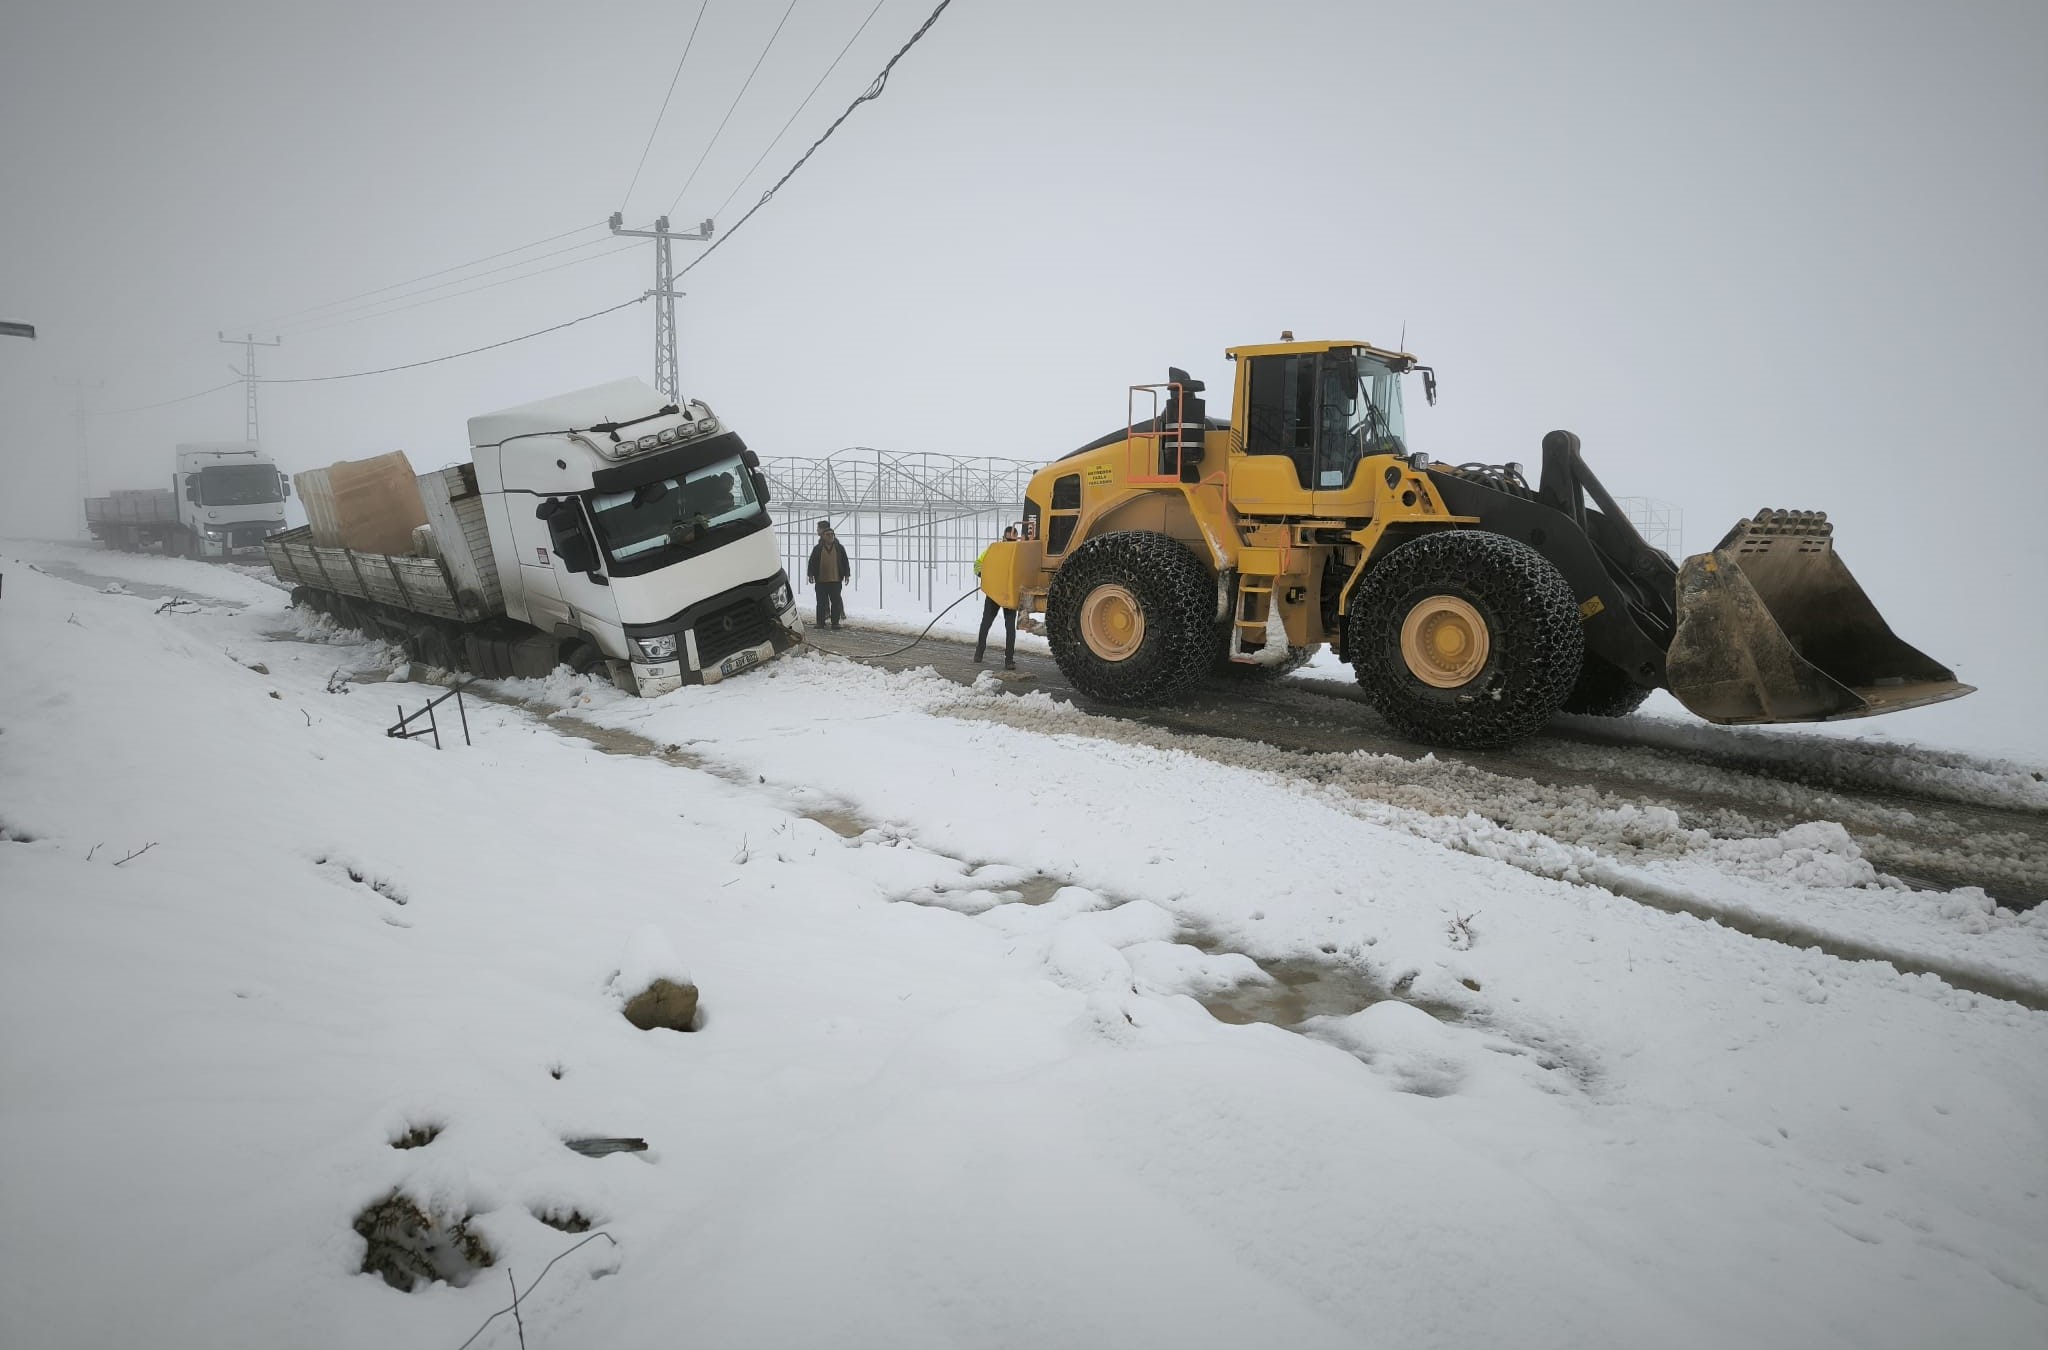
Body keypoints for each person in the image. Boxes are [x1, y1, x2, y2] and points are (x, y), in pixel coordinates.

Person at [974, 525, 1021, 669]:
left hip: (1009, 595)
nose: (1010, 543)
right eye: (1008, 540)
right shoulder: (994, 550)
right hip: (994, 593)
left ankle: (1009, 660)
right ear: (1003, 538)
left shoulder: (1019, 552)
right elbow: (978, 564)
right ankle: (979, 653)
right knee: (986, 623)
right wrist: (983, 575)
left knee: (1010, 628)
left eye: (1013, 540)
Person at [807, 520, 850, 630]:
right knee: (821, 603)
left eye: (832, 534)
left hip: (835, 580)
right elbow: (812, 562)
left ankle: (835, 623)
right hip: (821, 581)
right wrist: (810, 574)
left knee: (835, 602)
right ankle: (820, 622)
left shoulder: (839, 548)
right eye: (827, 535)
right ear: (823, 536)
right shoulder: (818, 549)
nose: (830, 536)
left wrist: (847, 575)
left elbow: (845, 562)